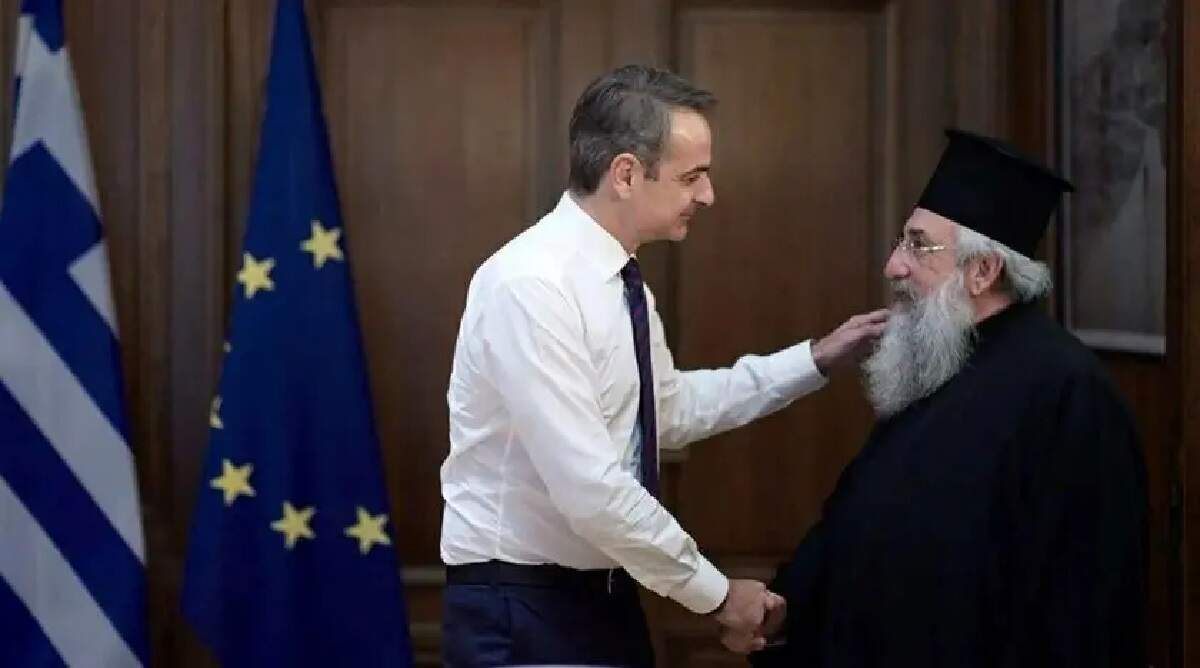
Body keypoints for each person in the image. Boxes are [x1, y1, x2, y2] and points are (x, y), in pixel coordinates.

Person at [438, 64, 887, 667]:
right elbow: (592, 489)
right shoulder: (532, 286)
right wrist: (718, 595)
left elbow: (666, 413)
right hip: (523, 605)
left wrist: (814, 361)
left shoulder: (621, 284)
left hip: (605, 594)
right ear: (626, 174)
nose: (707, 195)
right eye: (691, 177)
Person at [732, 129, 1147, 666]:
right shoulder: (937, 359)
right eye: (901, 241)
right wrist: (786, 606)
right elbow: (858, 519)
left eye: (918, 245)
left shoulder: (1069, 393)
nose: (894, 266)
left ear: (983, 271)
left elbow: (1085, 604)